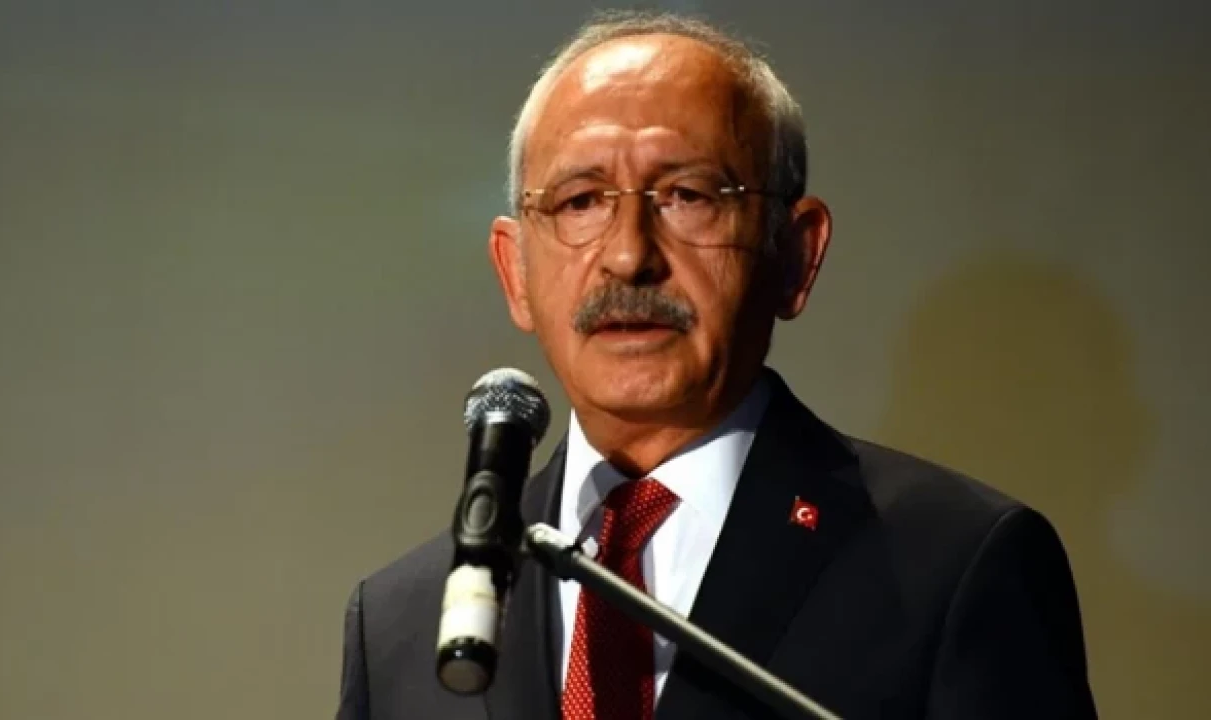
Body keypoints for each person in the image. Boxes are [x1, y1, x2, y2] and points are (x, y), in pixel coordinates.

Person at [335, 11, 1097, 720]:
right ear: (515, 272)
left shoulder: (953, 566)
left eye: (688, 194)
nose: (629, 255)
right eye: (580, 201)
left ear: (796, 254)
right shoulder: (403, 621)